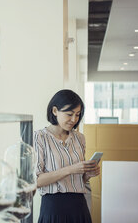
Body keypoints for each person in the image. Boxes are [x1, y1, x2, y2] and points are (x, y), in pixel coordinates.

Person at [34, 89, 100, 223]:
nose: (74, 119)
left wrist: (88, 174)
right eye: (69, 114)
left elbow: (81, 180)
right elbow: (35, 181)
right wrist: (71, 169)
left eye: (77, 114)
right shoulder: (39, 137)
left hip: (79, 206)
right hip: (53, 208)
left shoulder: (80, 138)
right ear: (54, 111)